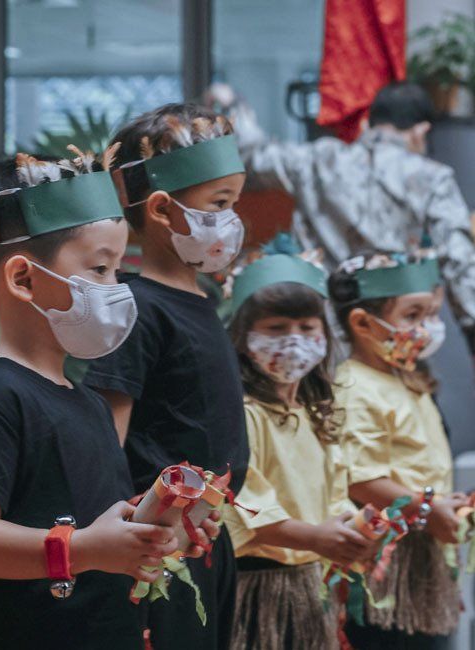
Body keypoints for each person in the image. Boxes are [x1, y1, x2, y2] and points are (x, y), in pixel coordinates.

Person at [0, 150, 205, 648]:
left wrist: (153, 528)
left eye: (116, 270)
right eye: (100, 269)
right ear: (22, 279)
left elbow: (95, 523)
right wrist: (81, 549)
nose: (116, 288)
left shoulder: (88, 404)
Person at [83, 103, 249, 649]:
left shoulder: (201, 301)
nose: (232, 220)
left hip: (206, 542)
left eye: (234, 203)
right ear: (160, 209)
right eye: (219, 204)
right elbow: (106, 442)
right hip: (160, 546)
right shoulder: (137, 308)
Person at [209, 82, 475, 353]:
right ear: (422, 130)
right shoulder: (432, 177)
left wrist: (233, 104)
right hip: (390, 337)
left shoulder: (318, 159)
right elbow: (459, 260)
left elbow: (252, 154)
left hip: (319, 334)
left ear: (369, 124)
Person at [222, 252, 373, 650]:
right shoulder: (243, 414)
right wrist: (318, 538)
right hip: (258, 584)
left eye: (307, 327)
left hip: (311, 580)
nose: (294, 339)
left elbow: (335, 490)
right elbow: (249, 509)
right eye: (276, 327)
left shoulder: (315, 412)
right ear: (242, 335)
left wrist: (356, 529)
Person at [330, 252, 464, 648]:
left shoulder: (406, 376)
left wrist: (440, 503)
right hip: (385, 565)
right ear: (362, 323)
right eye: (412, 316)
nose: (427, 329)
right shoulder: (354, 386)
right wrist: (426, 507)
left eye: (432, 314)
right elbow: (362, 479)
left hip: (424, 551)